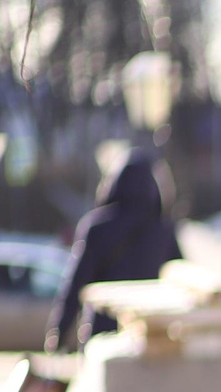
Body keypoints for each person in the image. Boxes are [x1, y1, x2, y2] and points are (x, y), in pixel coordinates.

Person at [47, 150, 183, 353]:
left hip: (102, 335)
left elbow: (75, 284)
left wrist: (58, 334)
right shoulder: (163, 231)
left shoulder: (97, 226)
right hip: (147, 336)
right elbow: (178, 278)